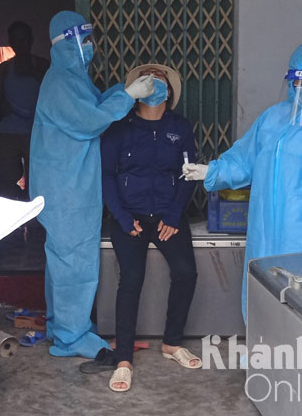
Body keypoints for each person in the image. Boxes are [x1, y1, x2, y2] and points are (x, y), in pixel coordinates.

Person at [182, 41, 302, 321]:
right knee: (260, 289)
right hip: (263, 230)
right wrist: (210, 171)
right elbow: (244, 159)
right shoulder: (271, 119)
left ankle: (295, 360)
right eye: (300, 81)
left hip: (300, 233)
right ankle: (261, 355)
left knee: (300, 297)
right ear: (290, 80)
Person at [29, 11, 155, 358]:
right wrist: (129, 95)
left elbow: (94, 104)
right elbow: (90, 119)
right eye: (84, 40)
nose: (90, 46)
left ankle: (60, 325)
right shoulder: (60, 82)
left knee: (61, 259)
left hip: (62, 185)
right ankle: (72, 336)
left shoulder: (72, 80)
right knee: (74, 262)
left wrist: (121, 91)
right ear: (69, 42)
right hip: (67, 190)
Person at [101, 64, 201, 392]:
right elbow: (106, 175)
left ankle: (172, 343)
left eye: (162, 84)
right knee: (130, 280)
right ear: (138, 90)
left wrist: (173, 216)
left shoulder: (180, 127)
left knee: (186, 273)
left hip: (166, 218)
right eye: (149, 83)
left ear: (170, 93)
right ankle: (124, 358)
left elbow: (189, 173)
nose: (157, 88)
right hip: (129, 217)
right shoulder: (119, 128)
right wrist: (122, 217)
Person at [0, 21, 50, 200]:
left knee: (38, 178)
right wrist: (3, 105)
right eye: (16, 39)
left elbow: (53, 93)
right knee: (7, 177)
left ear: (31, 40)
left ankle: (36, 221)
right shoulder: (4, 69)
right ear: (11, 42)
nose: (21, 43)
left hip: (37, 130)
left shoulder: (42, 65)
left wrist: (33, 73)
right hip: (9, 130)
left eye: (24, 39)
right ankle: (13, 220)